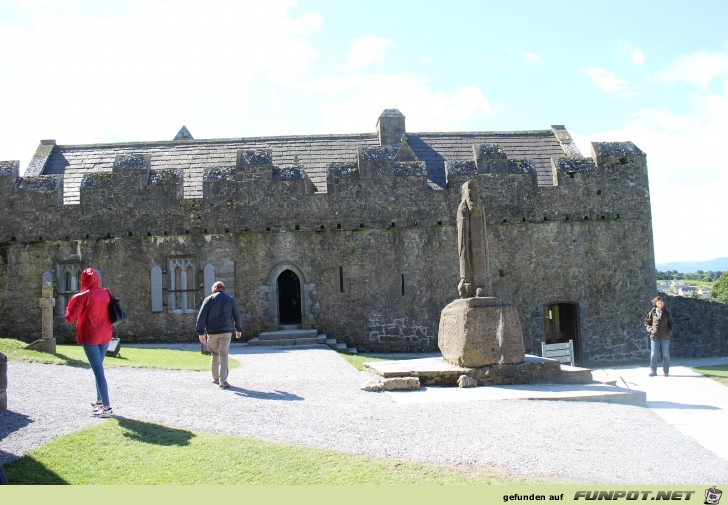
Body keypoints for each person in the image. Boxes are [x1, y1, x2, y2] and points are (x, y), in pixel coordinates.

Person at [65, 268, 114, 417]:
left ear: (83, 280)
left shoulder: (83, 296)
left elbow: (69, 318)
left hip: (91, 336)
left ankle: (107, 408)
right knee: (97, 368)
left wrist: (69, 307)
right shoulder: (106, 293)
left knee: (98, 371)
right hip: (105, 335)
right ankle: (99, 401)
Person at [196, 281, 243, 389]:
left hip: (212, 333)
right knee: (224, 355)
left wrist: (200, 332)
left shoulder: (208, 299)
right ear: (223, 289)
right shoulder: (230, 300)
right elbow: (237, 315)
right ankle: (223, 381)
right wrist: (238, 329)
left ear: (215, 288)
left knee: (214, 354)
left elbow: (201, 317)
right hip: (226, 332)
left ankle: (216, 379)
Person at [645, 295, 674, 377]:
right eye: (658, 301)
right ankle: (653, 371)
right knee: (653, 354)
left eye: (661, 301)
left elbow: (671, 323)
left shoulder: (667, 313)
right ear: (655, 303)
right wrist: (650, 329)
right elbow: (647, 323)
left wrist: (669, 331)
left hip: (665, 337)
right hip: (654, 337)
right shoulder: (652, 313)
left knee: (665, 355)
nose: (660, 303)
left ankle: (666, 371)